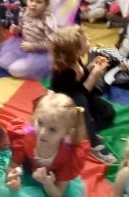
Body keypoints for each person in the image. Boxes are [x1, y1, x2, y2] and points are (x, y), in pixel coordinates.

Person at [49, 25, 116, 163]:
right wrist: (94, 76)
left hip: (78, 97)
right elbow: (81, 94)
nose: (89, 40)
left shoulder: (74, 60)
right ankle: (93, 143)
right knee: (81, 100)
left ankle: (84, 131)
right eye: (86, 40)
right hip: (65, 106)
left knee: (108, 112)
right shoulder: (64, 72)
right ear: (75, 50)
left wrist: (90, 67)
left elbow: (81, 78)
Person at [0, 0, 55, 79]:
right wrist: (16, 30)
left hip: (40, 53)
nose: (33, 4)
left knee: (14, 70)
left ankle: (37, 69)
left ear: (46, 4)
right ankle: (23, 63)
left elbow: (51, 43)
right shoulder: (24, 12)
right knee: (3, 62)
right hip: (22, 46)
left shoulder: (48, 19)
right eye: (31, 0)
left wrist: (33, 46)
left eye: (39, 2)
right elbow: (21, 31)